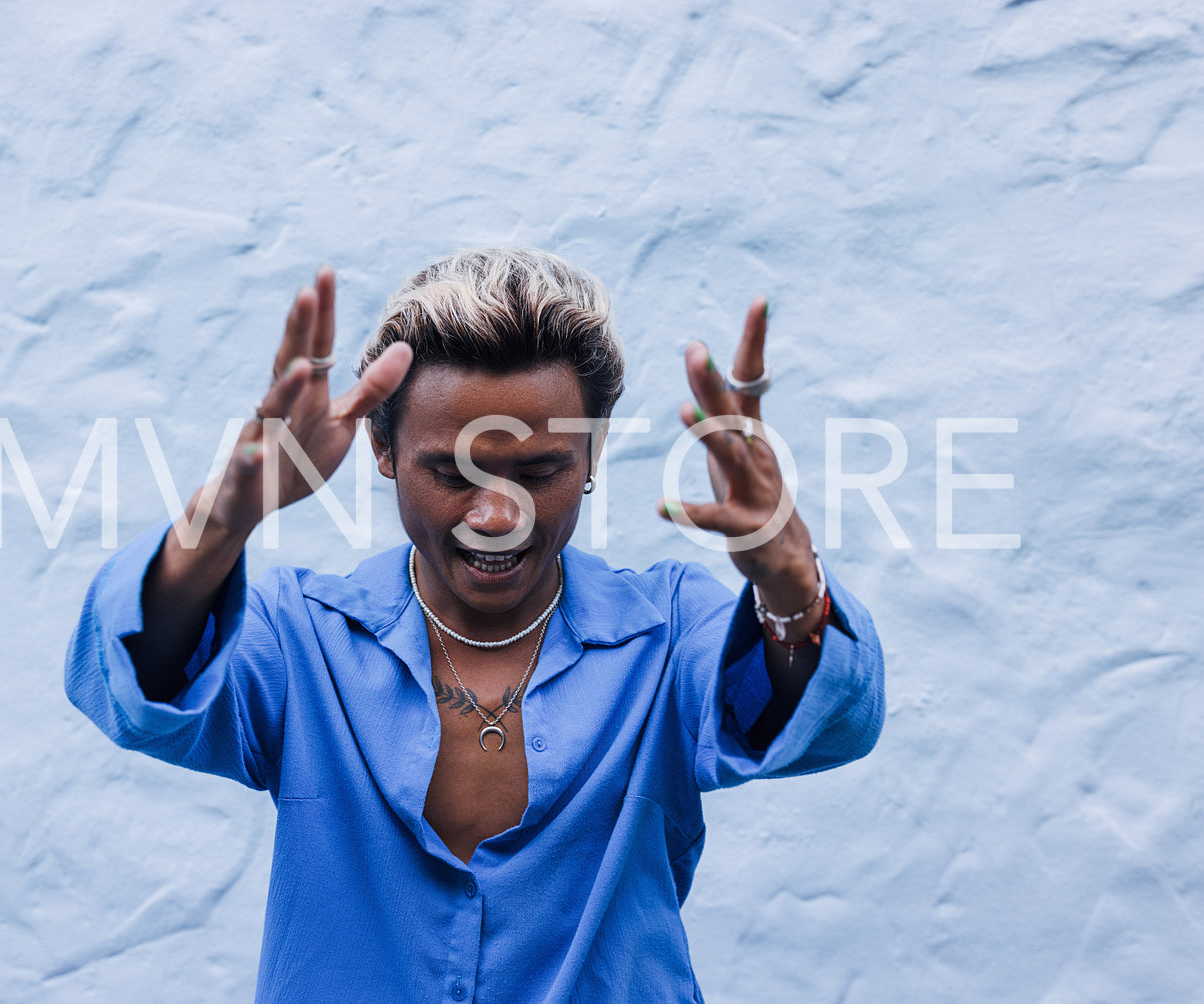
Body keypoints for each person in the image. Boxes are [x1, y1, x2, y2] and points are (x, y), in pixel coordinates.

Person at [65, 248, 884, 1003]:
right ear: (382, 450)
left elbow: (827, 721)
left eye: (539, 471)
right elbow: (136, 690)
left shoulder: (665, 635)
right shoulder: (300, 641)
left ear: (592, 456)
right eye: (451, 474)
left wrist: (787, 578)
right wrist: (221, 524)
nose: (498, 515)